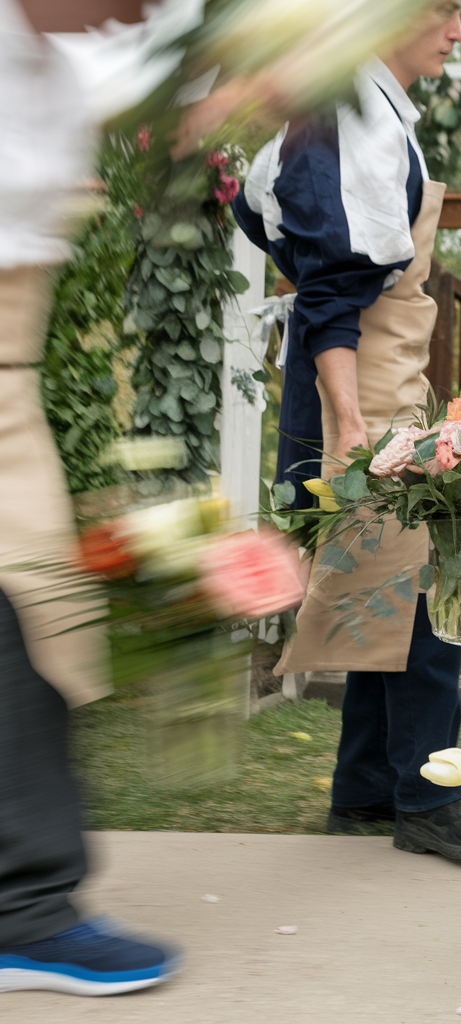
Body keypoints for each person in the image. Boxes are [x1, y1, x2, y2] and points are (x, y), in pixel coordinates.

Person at [232, 0, 461, 861]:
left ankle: (366, 786)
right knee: (431, 580)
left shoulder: (366, 112)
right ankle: (433, 796)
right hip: (356, 380)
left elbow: (259, 207)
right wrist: (354, 424)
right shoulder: (351, 115)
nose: (458, 28)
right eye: (443, 10)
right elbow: (329, 288)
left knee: (387, 584)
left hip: (371, 368)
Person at [0, 0, 176, 995]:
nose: (139, 7)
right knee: (22, 625)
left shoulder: (63, 62)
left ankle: (28, 903)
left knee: (33, 621)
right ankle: (26, 909)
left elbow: (157, 65)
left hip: (8, 381)